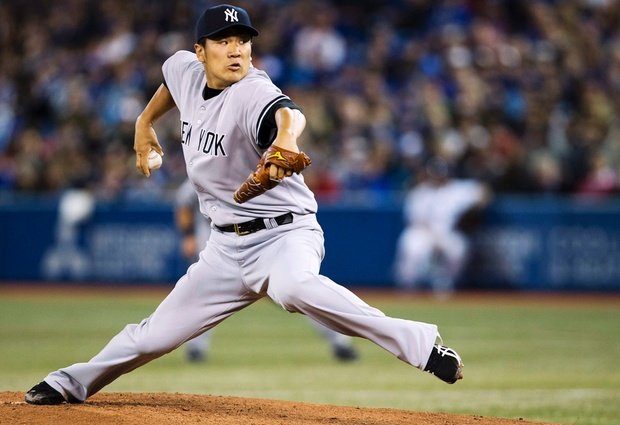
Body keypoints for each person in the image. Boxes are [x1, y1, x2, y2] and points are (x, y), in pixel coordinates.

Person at [25, 4, 463, 405]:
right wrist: (143, 123)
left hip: (285, 234)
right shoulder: (184, 69)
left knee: (292, 288)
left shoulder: (252, 90)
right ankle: (69, 382)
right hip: (224, 251)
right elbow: (169, 83)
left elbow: (289, 113)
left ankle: (422, 345)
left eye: (244, 40)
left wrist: (287, 139)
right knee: (152, 338)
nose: (237, 50)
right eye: (224, 40)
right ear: (201, 51)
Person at [174, 178, 359, 363]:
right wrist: (187, 236)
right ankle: (196, 348)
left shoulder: (254, 166)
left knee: (297, 295)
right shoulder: (206, 168)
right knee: (205, 294)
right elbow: (183, 203)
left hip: (261, 244)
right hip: (216, 244)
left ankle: (339, 342)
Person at [394, 157, 491, 298]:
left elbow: (483, 192)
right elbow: (413, 220)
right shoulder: (420, 192)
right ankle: (407, 286)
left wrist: (473, 212)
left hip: (447, 233)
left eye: (441, 173)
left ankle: (445, 284)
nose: (438, 177)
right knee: (411, 246)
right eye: (436, 173)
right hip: (423, 232)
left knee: (458, 250)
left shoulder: (458, 189)